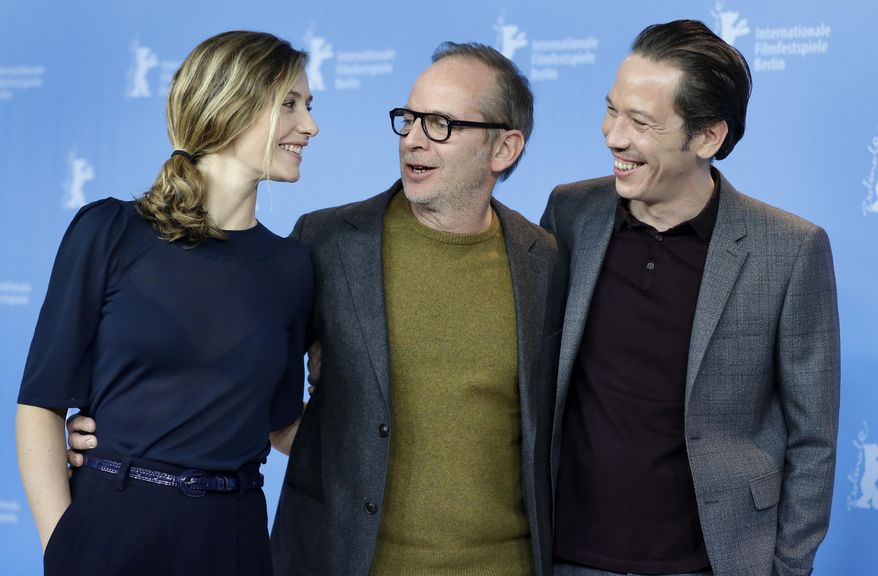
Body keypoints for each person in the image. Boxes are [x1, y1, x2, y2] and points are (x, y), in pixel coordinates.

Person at [542, 20, 840, 576]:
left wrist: (789, 566)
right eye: (612, 110)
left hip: (712, 561)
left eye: (641, 122)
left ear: (707, 137)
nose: (614, 136)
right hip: (570, 557)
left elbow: (813, 440)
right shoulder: (570, 214)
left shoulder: (791, 250)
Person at [16, 30, 318, 576]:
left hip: (234, 541)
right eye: (290, 104)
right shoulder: (109, 231)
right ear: (231, 106)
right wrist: (61, 548)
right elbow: (40, 404)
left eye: (309, 106)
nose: (310, 126)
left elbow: (283, 431)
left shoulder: (292, 267)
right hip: (110, 529)